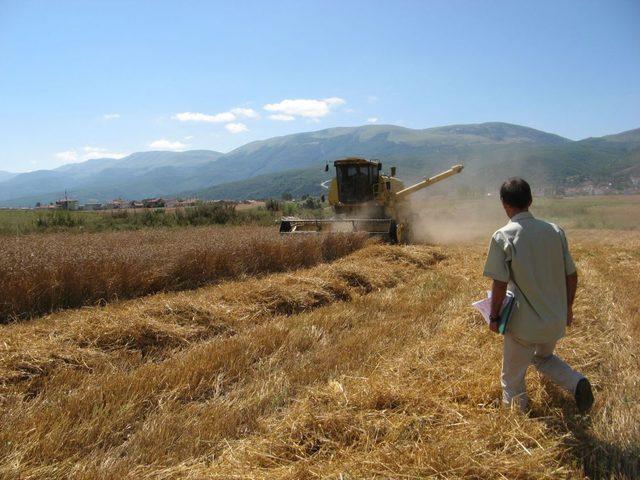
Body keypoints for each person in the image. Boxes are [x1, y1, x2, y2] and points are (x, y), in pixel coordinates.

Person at [483, 178, 594, 413]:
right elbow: (571, 275)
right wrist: (568, 308)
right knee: (543, 357)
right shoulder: (554, 231)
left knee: (511, 379)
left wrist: (493, 317)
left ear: (503, 203)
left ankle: (518, 424)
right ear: (530, 201)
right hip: (554, 319)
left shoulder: (503, 236)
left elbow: (500, 283)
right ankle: (576, 383)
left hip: (523, 325)